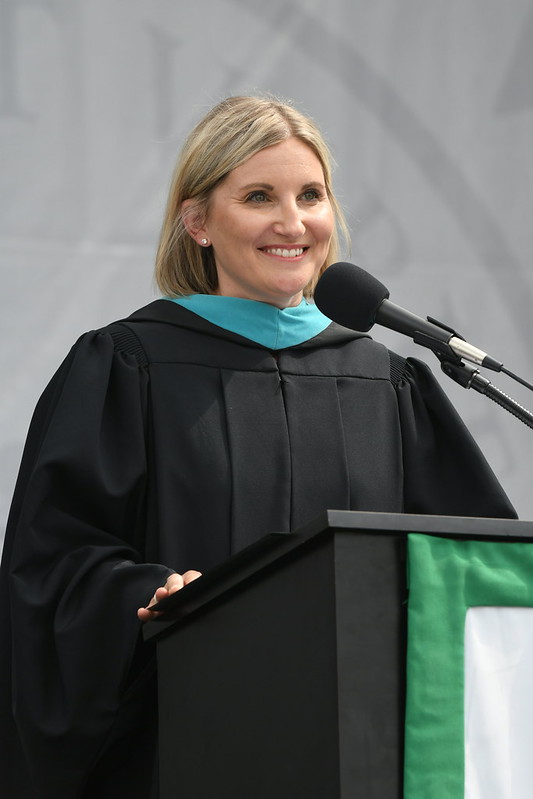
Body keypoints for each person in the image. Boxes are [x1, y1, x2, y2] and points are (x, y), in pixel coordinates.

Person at [0, 95, 516, 798]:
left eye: (311, 195)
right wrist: (144, 593)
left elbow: (473, 572)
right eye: (258, 197)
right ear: (197, 222)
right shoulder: (127, 367)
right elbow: (52, 564)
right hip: (184, 752)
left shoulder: (387, 383)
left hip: (362, 758)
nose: (292, 222)